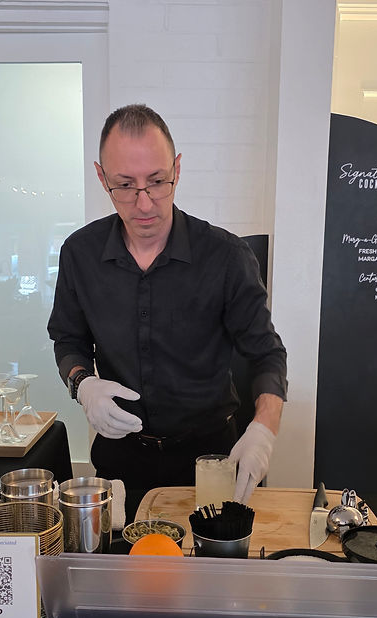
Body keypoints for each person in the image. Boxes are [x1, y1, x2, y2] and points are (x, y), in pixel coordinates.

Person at [47, 104, 287, 520]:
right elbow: (68, 338)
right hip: (121, 463)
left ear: (177, 168)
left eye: (157, 182)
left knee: (208, 579)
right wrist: (82, 384)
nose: (144, 203)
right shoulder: (79, 254)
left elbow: (266, 353)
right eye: (124, 185)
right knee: (127, 576)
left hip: (211, 462)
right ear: (101, 177)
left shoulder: (226, 257)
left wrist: (264, 428)